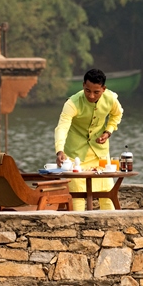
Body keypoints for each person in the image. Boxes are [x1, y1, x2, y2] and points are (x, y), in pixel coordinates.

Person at [54, 69, 123, 211]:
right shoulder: (72, 103)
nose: (91, 96)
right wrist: (59, 150)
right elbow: (62, 127)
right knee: (77, 195)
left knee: (107, 193)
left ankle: (109, 223)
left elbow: (117, 115)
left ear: (104, 89)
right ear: (83, 85)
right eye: (87, 90)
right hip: (75, 154)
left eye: (96, 92)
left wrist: (108, 131)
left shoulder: (111, 99)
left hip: (100, 153)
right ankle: (77, 224)